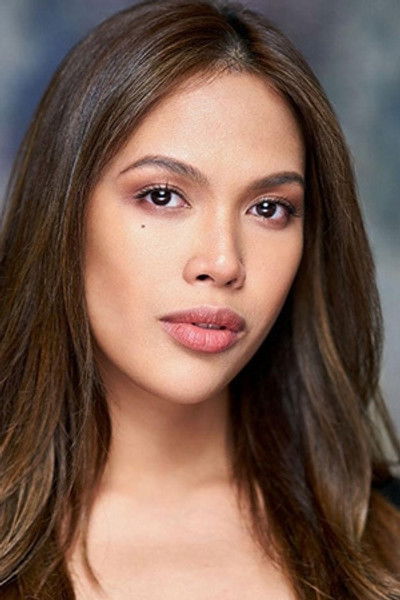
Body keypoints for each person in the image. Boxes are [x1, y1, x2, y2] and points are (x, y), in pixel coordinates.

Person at [0, 0, 399, 598]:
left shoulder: (387, 537)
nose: (223, 262)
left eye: (269, 209)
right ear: (64, 214)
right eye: (163, 196)